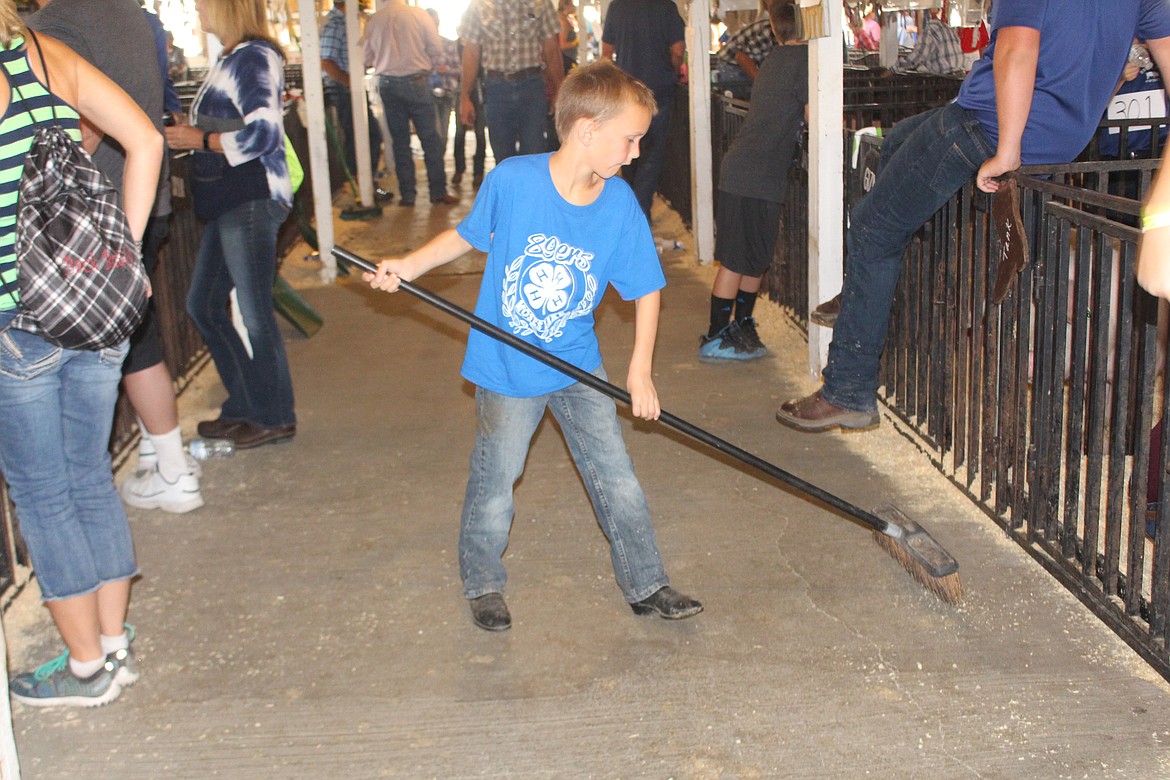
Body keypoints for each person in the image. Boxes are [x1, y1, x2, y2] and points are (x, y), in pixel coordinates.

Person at [364, 60, 702, 632]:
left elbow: (646, 288)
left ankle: (647, 583)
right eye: (630, 138)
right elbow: (466, 237)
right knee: (497, 478)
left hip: (577, 362)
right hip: (507, 368)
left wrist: (639, 371)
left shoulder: (618, 204)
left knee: (616, 475)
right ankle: (484, 582)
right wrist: (408, 266)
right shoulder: (515, 181)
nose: (636, 153)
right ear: (588, 129)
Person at [777, 0, 1170, 434]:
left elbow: (1016, 50)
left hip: (987, 125)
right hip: (1057, 140)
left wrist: (1008, 150)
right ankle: (864, 292)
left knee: (873, 229)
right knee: (899, 141)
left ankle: (847, 390)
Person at [0, 8, 163, 706]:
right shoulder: (37, 53)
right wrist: (118, 261)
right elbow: (147, 139)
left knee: (42, 493)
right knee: (88, 473)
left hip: (17, 318)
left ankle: (84, 666)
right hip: (96, 308)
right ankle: (112, 643)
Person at [29, 0, 203, 515]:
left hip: (88, 219)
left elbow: (78, 126)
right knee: (132, 335)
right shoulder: (128, 13)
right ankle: (158, 452)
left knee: (100, 352)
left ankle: (166, 468)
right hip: (143, 203)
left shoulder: (47, 31)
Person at [163, 0, 297, 449]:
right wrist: (194, 130)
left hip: (251, 197)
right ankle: (247, 404)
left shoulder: (254, 56)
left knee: (256, 314)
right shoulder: (234, 57)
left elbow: (264, 134)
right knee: (203, 304)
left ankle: (274, 415)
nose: (198, 11)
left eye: (203, 4)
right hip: (233, 200)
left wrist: (197, 138)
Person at [700, 0, 806, 362]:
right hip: (753, 175)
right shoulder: (804, 62)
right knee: (736, 260)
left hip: (753, 174)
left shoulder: (776, 59)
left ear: (775, 29)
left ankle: (740, 325)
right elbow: (813, 112)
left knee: (753, 258)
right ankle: (715, 336)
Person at [362, 0, 455, 207]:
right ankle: (438, 192)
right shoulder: (419, 15)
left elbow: (366, 58)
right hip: (416, 82)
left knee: (400, 142)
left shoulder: (374, 21)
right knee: (430, 140)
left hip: (387, 83)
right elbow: (436, 48)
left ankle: (408, 195)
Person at [601, 0, 685, 220]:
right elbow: (678, 50)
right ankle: (640, 211)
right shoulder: (666, 6)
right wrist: (672, 70)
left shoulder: (618, 7)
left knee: (627, 152)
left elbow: (606, 53)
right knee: (653, 154)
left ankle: (631, 208)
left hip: (627, 94)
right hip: (659, 90)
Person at [457, 0, 563, 163]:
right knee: (503, 157)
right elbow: (471, 51)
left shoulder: (540, 3)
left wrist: (559, 90)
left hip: (532, 87)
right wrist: (464, 96)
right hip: (496, 88)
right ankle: (508, 188)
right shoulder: (479, 4)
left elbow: (552, 48)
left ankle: (529, 188)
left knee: (534, 154)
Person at [320, 0, 383, 183]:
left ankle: (366, 183)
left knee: (365, 136)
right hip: (343, 90)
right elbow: (326, 62)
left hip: (349, 88)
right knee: (365, 136)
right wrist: (350, 83)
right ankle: (362, 183)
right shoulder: (335, 24)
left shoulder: (347, 23)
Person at [426, 7, 460, 162]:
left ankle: (437, 166)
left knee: (443, 135)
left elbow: (459, 68)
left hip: (446, 93)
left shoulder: (448, 44)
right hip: (427, 94)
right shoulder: (420, 46)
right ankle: (435, 166)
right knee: (433, 134)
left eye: (436, 22)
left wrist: (447, 69)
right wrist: (433, 71)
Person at [451, 37, 486, 187]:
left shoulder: (482, 44)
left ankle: (478, 172)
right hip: (462, 92)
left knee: (480, 134)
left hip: (480, 93)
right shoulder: (454, 47)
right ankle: (459, 169)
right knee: (459, 134)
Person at [890, 8, 964, 76]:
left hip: (943, 81)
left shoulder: (929, 31)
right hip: (958, 78)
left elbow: (916, 59)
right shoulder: (948, 28)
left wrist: (894, 68)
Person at [713, 13, 777, 87]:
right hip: (731, 68)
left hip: (736, 64)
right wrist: (762, 85)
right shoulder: (767, 32)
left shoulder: (773, 30)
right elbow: (741, 57)